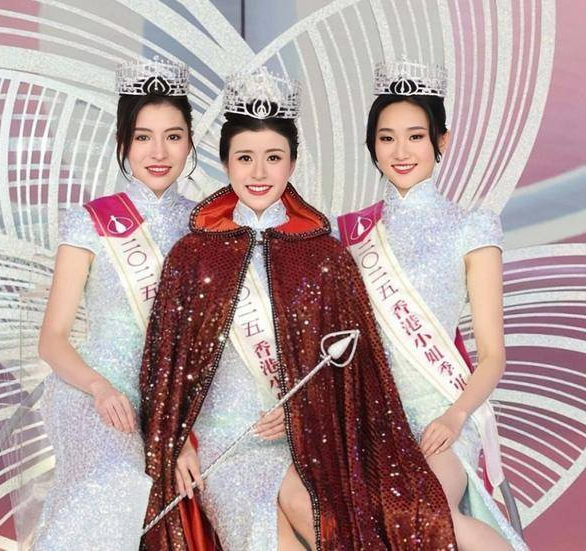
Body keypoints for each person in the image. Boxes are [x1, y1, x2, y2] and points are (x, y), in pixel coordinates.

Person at [140, 67, 456, 550]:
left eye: (273, 158)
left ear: (292, 162)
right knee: (266, 534)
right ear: (225, 162)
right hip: (227, 447)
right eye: (245, 158)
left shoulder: (326, 256)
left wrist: (297, 416)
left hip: (308, 445)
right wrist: (177, 442)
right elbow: (163, 366)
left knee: (332, 521)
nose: (259, 173)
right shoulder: (192, 255)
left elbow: (353, 374)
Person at [337, 57, 528, 551]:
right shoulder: (351, 234)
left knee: (425, 511)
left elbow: (493, 355)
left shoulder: (470, 227)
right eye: (387, 138)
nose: (401, 151)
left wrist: (456, 416)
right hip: (371, 419)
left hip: (441, 414)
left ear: (442, 141)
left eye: (416, 136)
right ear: (372, 145)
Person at [32, 56, 196, 550]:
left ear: (190, 142)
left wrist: (185, 430)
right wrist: (100, 388)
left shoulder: (207, 226)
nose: (158, 152)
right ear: (123, 143)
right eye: (143, 137)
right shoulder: (91, 221)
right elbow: (52, 339)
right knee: (114, 479)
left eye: (173, 136)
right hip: (93, 391)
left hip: (170, 399)